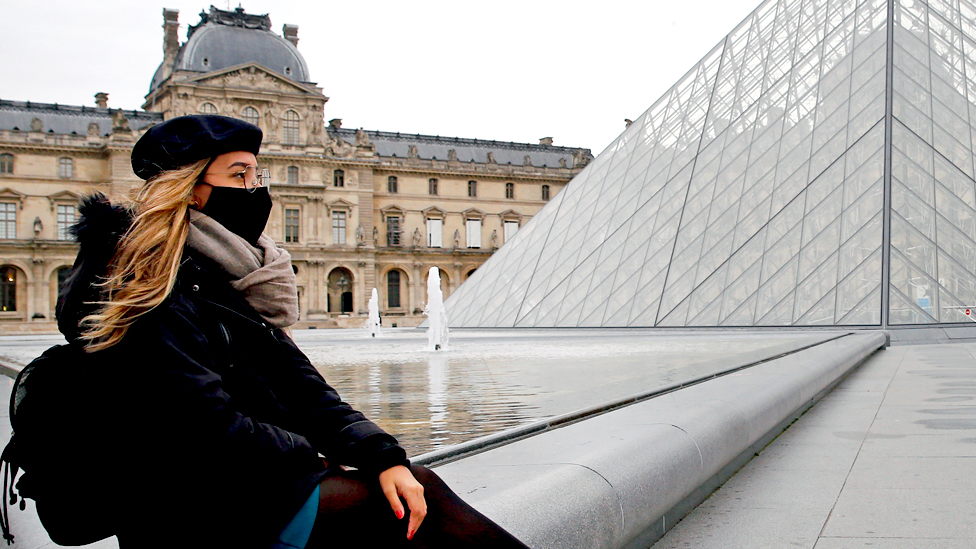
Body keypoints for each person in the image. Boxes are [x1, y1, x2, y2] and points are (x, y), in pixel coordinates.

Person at [56, 115, 529, 549]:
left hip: (244, 484)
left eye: (256, 175)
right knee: (419, 506)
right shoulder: (146, 282)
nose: (256, 190)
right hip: (190, 507)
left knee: (411, 488)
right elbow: (202, 425)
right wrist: (314, 459)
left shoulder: (224, 272)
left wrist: (382, 455)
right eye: (240, 175)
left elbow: (300, 386)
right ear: (188, 188)